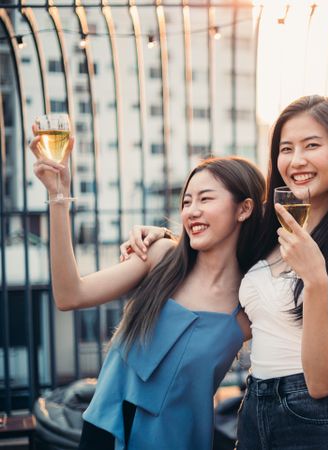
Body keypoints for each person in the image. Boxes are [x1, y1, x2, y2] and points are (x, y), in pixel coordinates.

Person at [122, 95, 328, 448]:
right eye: (286, 148)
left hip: (316, 417)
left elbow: (321, 382)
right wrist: (163, 236)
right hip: (255, 405)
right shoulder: (265, 225)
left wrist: (315, 279)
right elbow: (210, 234)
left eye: (312, 145)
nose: (297, 160)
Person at [31, 132, 265, 450]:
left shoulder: (250, 301)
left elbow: (292, 354)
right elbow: (70, 295)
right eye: (186, 201)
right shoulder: (162, 257)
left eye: (206, 199)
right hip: (106, 431)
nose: (191, 211)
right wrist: (59, 198)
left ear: (244, 209)